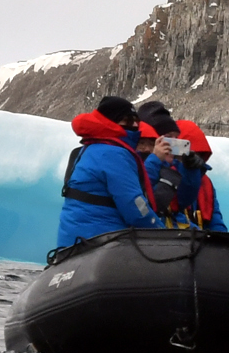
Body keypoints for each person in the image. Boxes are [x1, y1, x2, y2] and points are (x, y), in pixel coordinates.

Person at [55, 94, 164, 247]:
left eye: (136, 121)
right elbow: (134, 205)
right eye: (127, 120)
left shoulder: (90, 148)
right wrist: (161, 231)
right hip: (101, 242)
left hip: (75, 242)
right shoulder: (114, 153)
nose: (134, 126)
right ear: (110, 121)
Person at [147, 117, 227, 231]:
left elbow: (215, 219)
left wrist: (219, 238)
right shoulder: (165, 175)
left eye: (199, 154)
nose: (194, 158)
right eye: (189, 153)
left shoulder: (206, 183)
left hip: (195, 237)